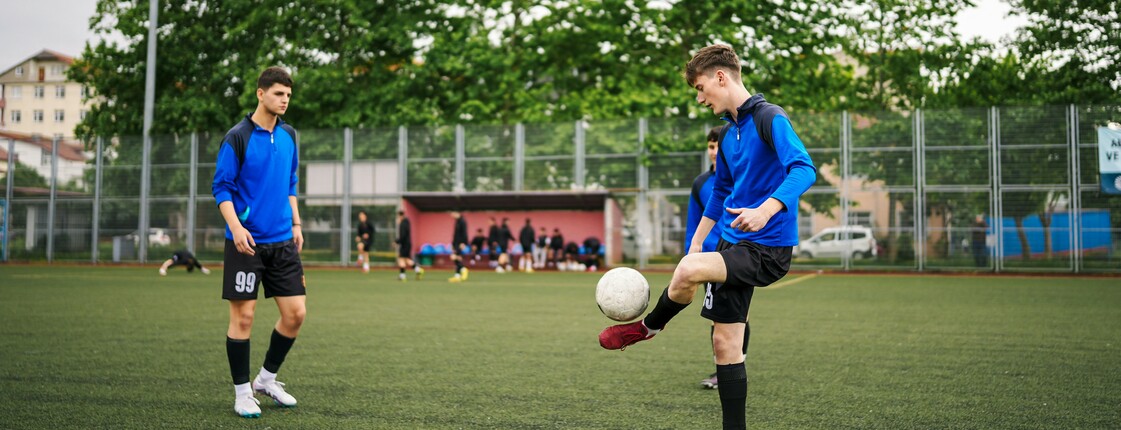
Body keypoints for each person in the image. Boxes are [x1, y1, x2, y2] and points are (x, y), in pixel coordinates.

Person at [597, 44, 816, 430]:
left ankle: (646, 328)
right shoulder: (730, 135)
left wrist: (766, 209)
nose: (700, 98)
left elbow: (803, 169)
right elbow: (719, 193)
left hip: (767, 248)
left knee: (687, 272)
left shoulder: (770, 118)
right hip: (731, 243)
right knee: (725, 344)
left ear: (721, 77)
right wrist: (698, 241)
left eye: (700, 88)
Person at [211, 67, 307, 418]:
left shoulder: (289, 135)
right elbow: (221, 187)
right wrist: (236, 227)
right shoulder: (237, 137)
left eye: (288, 95)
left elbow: (290, 182)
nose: (284, 100)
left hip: (282, 242)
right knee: (244, 318)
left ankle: (265, 380)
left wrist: (295, 221)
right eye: (279, 93)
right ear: (260, 93)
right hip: (246, 243)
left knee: (295, 315)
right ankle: (241, 393)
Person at [687, 127, 743, 390]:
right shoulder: (700, 183)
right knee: (717, 316)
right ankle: (724, 370)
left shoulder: (742, 179)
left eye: (718, 146)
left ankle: (733, 366)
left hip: (736, 255)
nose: (714, 151)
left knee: (737, 316)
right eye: (710, 146)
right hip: (710, 258)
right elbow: (694, 222)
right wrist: (692, 255)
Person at [394, 211, 424, 281]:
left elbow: (403, 236)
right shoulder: (407, 222)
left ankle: (402, 276)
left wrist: (396, 242)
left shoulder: (403, 224)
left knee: (401, 259)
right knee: (406, 260)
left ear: (400, 216)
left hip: (404, 244)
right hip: (407, 244)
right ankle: (418, 270)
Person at [448, 211, 470, 282]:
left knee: (454, 257)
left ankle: (463, 269)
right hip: (456, 243)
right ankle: (457, 276)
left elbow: (465, 233)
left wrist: (464, 243)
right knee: (458, 258)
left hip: (460, 243)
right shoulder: (457, 221)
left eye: (453, 213)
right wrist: (453, 244)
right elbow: (455, 235)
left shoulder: (462, 222)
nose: (452, 215)